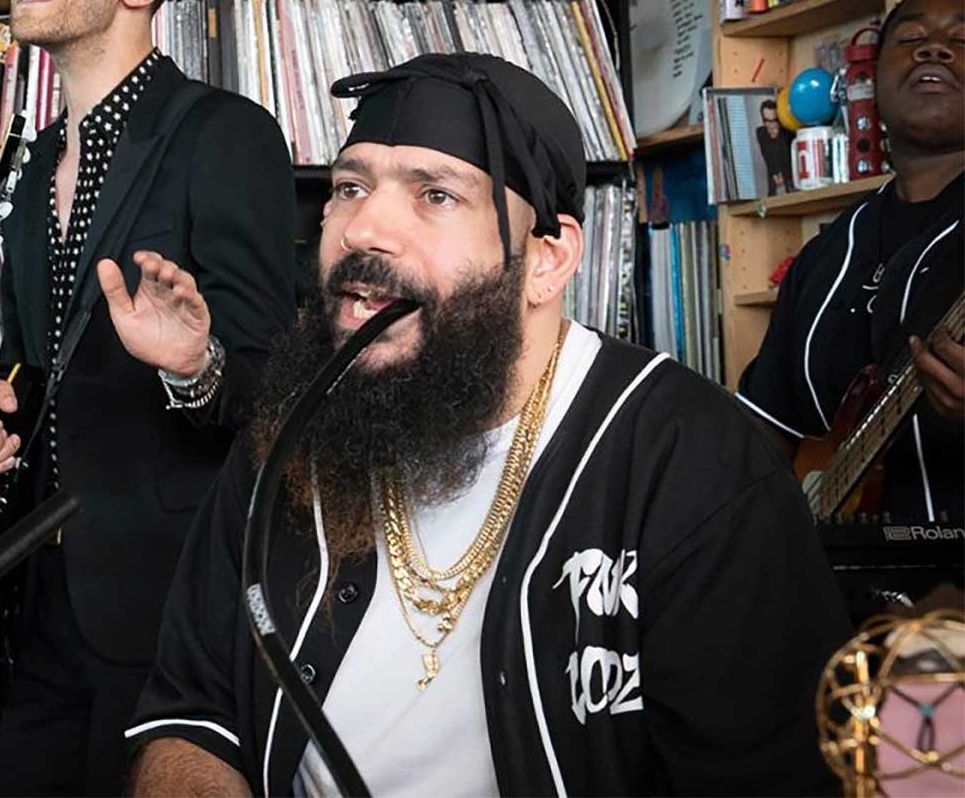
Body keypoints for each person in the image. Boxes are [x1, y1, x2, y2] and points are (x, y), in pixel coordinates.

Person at [127, 53, 851, 797]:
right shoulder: (292, 434)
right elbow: (191, 712)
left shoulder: (692, 467)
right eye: (350, 187)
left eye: (436, 195)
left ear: (548, 259)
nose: (363, 229)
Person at [0, 0, 297, 797]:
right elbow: (31, 363)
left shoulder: (226, 137)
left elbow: (277, 384)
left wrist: (195, 363)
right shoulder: (25, 160)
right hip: (38, 599)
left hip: (173, 608)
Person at [739, 0, 963, 527]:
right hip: (826, 597)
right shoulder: (825, 255)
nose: (933, 49)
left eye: (962, 41)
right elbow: (762, 441)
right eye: (910, 38)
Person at [755, 99, 795, 195]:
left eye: (774, 121)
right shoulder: (761, 133)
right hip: (773, 175)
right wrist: (774, 173)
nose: (771, 126)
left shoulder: (788, 132)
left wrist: (783, 175)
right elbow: (766, 155)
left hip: (791, 177)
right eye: (767, 121)